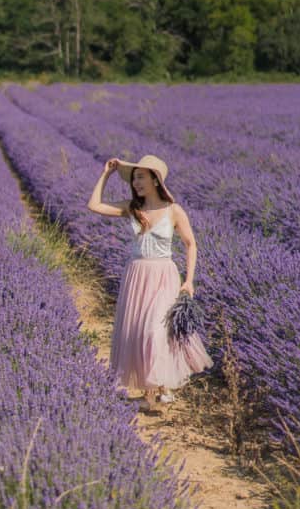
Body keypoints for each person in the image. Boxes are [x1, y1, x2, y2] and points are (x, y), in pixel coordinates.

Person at [87, 152, 211, 414]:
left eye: (141, 177)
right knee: (138, 331)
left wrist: (189, 281)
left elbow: (191, 244)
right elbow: (94, 206)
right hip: (137, 275)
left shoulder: (174, 211)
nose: (137, 184)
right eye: (134, 179)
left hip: (164, 275)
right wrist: (106, 174)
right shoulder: (132, 209)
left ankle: (161, 386)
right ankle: (149, 394)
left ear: (156, 180)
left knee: (155, 331)